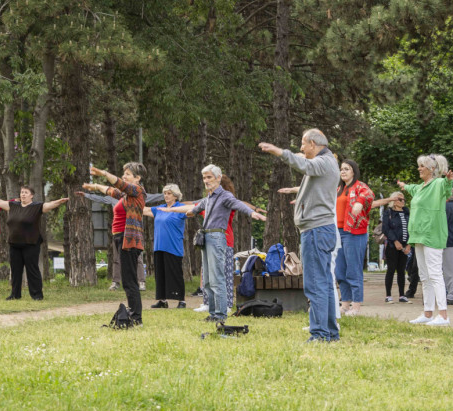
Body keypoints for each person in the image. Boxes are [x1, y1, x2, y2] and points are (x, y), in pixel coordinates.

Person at [260, 129, 340, 343]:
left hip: (316, 230)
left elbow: (305, 165)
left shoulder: (323, 162)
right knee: (324, 283)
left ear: (313, 143)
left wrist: (280, 152)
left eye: (303, 144)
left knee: (315, 284)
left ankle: (320, 334)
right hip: (320, 229)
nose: (302, 149)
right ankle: (330, 333)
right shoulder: (328, 162)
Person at [160, 165, 266, 323]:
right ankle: (212, 313)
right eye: (204, 178)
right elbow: (193, 209)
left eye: (209, 177)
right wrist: (173, 210)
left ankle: (220, 314)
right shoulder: (208, 198)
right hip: (206, 237)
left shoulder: (225, 196)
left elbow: (238, 204)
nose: (206, 181)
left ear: (218, 178)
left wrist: (251, 212)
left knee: (217, 278)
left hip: (217, 237)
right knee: (208, 279)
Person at [83, 163, 148, 325]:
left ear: (137, 178)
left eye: (128, 174)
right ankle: (134, 315)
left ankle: (136, 318)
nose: (124, 176)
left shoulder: (138, 191)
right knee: (127, 280)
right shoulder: (127, 196)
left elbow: (120, 184)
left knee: (129, 280)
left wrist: (104, 172)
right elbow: (112, 190)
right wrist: (95, 186)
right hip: (121, 238)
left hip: (130, 240)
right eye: (123, 173)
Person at [0, 186, 68, 301]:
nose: (23, 194)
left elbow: (48, 205)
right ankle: (15, 294)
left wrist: (59, 202)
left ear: (31, 195)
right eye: (21, 192)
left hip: (31, 244)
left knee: (32, 270)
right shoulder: (13, 206)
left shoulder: (36, 207)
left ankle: (37, 295)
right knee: (15, 270)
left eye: (26, 192)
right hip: (14, 244)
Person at [398, 154, 453, 326]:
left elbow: (446, 188)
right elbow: (411, 188)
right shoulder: (421, 187)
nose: (419, 168)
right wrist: (403, 185)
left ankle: (443, 316)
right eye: (419, 165)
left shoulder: (437, 184)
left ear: (431, 169)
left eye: (422, 165)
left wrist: (448, 180)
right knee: (424, 275)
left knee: (435, 274)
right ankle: (428, 313)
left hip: (432, 234)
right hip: (419, 235)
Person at [78, 191, 153, 292]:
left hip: (133, 232)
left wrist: (174, 197)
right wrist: (86, 195)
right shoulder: (113, 198)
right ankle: (116, 282)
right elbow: (100, 198)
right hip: (118, 233)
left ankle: (141, 282)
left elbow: (155, 197)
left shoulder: (136, 197)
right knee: (117, 258)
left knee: (138, 258)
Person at [333, 159, 374, 316]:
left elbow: (369, 194)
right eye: (341, 169)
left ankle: (356, 306)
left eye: (347, 169)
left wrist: (359, 202)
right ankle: (345, 304)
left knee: (353, 270)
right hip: (338, 232)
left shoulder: (360, 187)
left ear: (354, 172)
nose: (343, 172)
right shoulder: (338, 189)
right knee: (340, 271)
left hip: (354, 233)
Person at [144, 184, 188, 309]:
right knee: (160, 274)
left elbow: (191, 212)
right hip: (159, 246)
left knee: (175, 273)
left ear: (175, 195)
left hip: (173, 246)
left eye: (169, 193)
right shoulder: (160, 208)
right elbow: (145, 210)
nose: (166, 196)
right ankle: (162, 301)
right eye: (165, 193)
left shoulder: (180, 208)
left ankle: (181, 300)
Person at [371, 192, 411, 303]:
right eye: (400, 199)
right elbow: (386, 229)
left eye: (404, 199)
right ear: (394, 200)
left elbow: (412, 227)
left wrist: (409, 244)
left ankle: (402, 295)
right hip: (392, 245)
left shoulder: (407, 212)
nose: (403, 201)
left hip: (405, 245)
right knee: (391, 270)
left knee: (402, 270)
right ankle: (388, 295)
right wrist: (395, 241)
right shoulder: (388, 212)